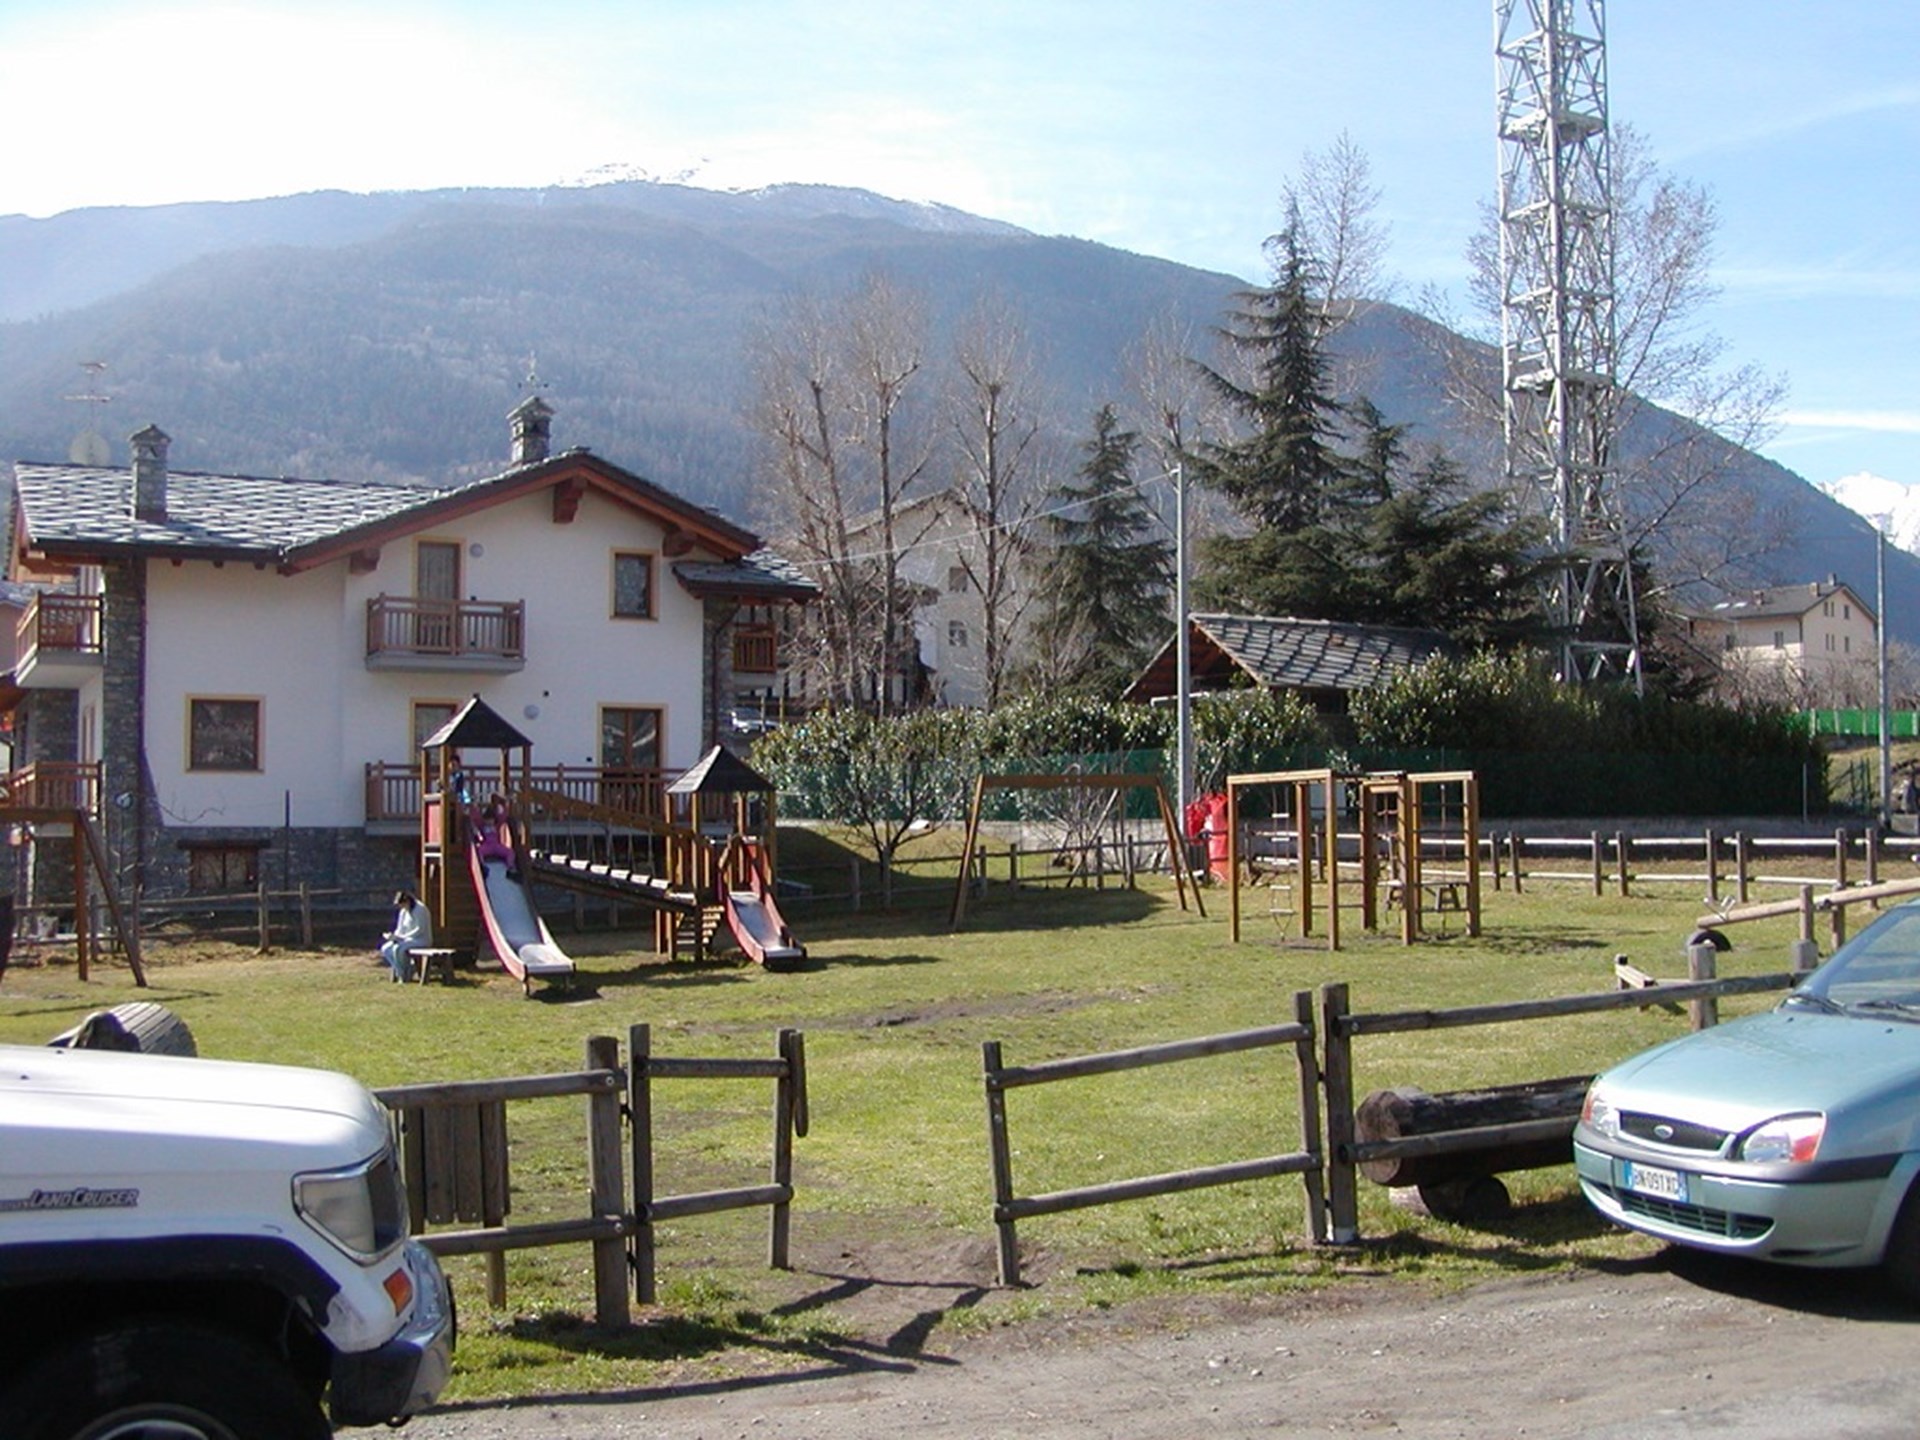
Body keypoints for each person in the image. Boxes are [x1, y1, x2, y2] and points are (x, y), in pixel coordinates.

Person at [379, 889, 433, 982]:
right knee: (385, 948)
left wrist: (404, 938)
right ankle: (401, 971)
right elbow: (400, 928)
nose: (401, 907)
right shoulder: (403, 911)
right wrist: (394, 936)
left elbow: (420, 929)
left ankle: (404, 974)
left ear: (407, 901)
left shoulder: (420, 909)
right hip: (406, 940)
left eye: (402, 904)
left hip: (421, 940)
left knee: (398, 949)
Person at [473, 793, 515, 871]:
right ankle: (482, 865)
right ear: (485, 820)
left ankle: (510, 865)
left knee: (510, 852)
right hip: (487, 845)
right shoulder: (482, 825)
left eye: (491, 820)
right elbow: (477, 818)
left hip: (496, 846)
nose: (489, 822)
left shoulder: (496, 826)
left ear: (494, 820)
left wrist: (506, 805)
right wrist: (475, 807)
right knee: (478, 851)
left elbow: (503, 817)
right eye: (487, 820)